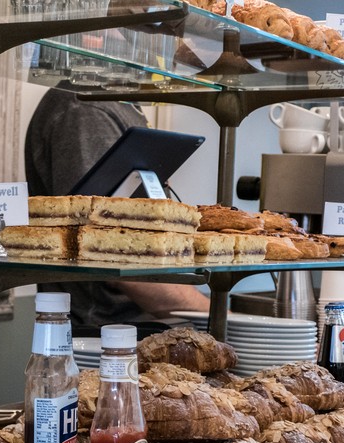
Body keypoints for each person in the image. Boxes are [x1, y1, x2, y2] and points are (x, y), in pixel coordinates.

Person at [25, 84, 211, 327]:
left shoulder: (117, 101)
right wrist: (218, 316)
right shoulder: (86, 108)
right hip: (104, 336)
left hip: (141, 326)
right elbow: (109, 255)